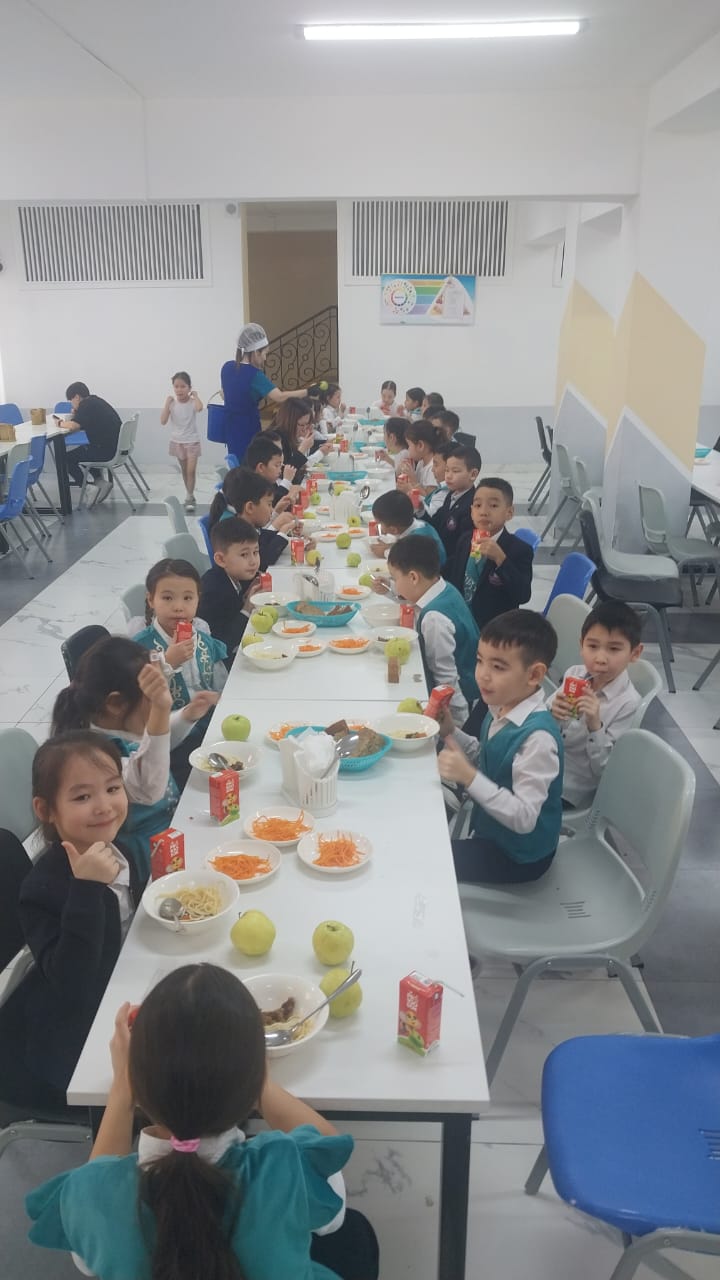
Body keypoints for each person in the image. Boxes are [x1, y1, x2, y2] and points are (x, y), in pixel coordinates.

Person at [27, 964, 380, 1280]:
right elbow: (328, 1157)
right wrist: (257, 1079)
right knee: (353, 1235)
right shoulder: (284, 1168)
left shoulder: (92, 1197)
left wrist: (121, 1089)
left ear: (138, 1084)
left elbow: (86, 1262)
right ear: (253, 1084)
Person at [0, 732, 141, 1109]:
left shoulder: (119, 850)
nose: (104, 806)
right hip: (73, 1034)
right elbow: (73, 981)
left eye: (112, 788)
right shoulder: (41, 889)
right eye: (82, 797)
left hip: (122, 990)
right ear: (46, 810)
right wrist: (87, 890)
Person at [51, 637, 212, 874]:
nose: (160, 709)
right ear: (116, 704)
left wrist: (187, 715)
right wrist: (160, 711)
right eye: (152, 701)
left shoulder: (123, 725)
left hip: (174, 827)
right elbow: (149, 788)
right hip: (147, 858)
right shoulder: (94, 758)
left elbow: (156, 742)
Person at [436, 610, 564, 885]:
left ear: (534, 675)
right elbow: (487, 755)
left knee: (430, 861)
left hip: (518, 857)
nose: (482, 675)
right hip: (492, 831)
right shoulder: (503, 706)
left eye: (498, 667)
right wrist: (451, 732)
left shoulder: (538, 740)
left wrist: (469, 777)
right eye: (480, 661)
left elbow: (525, 818)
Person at [548, 601, 643, 809]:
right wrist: (552, 712)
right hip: (545, 761)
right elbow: (545, 721)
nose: (600, 659)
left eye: (614, 649)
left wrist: (595, 726)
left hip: (570, 787)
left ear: (635, 653)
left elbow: (605, 770)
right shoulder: (574, 674)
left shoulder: (628, 703)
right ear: (581, 645)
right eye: (592, 646)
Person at [387, 535, 480, 728]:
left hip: (462, 702)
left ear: (413, 577)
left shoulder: (434, 619)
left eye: (394, 578)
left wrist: (456, 727)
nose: (395, 584)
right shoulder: (443, 587)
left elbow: (446, 679)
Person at [134, 558, 228, 706]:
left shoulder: (206, 642)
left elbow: (223, 688)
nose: (178, 607)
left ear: (198, 599)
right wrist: (167, 662)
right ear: (151, 599)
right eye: (167, 598)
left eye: (187, 598)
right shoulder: (138, 648)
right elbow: (136, 703)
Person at [449, 478, 533, 629]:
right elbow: (455, 578)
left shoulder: (519, 549)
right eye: (478, 505)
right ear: (471, 512)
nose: (483, 512)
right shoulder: (465, 540)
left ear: (509, 513)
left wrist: (501, 560)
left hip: (495, 628)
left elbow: (523, 595)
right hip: (461, 621)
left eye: (493, 505)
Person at [220, 323, 307, 463]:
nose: (265, 358)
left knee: (236, 463)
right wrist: (308, 391)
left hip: (230, 428)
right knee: (251, 464)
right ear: (256, 352)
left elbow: (223, 394)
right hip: (248, 429)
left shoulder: (227, 367)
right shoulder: (255, 375)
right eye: (265, 353)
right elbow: (279, 397)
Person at [198, 517, 263, 661]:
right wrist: (247, 609)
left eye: (255, 552)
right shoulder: (213, 592)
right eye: (244, 554)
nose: (253, 561)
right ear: (221, 560)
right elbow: (223, 645)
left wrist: (244, 597)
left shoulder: (232, 576)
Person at [209, 467, 299, 570]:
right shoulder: (232, 528)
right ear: (250, 507)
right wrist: (282, 531)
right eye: (269, 504)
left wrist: (290, 535)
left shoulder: (246, 521)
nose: (271, 509)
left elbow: (262, 539)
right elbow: (264, 558)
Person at [58, 381, 122, 503]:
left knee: (64, 458)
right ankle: (100, 481)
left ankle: (87, 487)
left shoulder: (86, 406)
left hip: (105, 451)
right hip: (114, 448)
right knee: (84, 450)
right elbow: (86, 420)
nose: (71, 403)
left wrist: (60, 423)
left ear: (77, 397)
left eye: (71, 400)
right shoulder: (95, 401)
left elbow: (73, 426)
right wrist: (77, 413)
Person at [425, 443, 482, 568]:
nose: (448, 476)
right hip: (438, 555)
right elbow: (436, 522)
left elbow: (463, 551)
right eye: (447, 470)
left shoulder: (472, 507)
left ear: (473, 474)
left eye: (455, 471)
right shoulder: (451, 495)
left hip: (448, 565)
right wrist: (420, 510)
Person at [160, 371, 203, 513]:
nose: (179, 390)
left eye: (183, 386)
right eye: (176, 386)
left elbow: (199, 408)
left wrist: (196, 396)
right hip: (178, 441)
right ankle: (190, 494)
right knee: (184, 471)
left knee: (191, 470)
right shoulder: (172, 404)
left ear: (189, 388)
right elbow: (163, 421)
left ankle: (189, 497)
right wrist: (166, 404)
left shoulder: (192, 403)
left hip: (192, 441)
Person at [369, 489, 446, 567]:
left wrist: (385, 552)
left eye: (380, 524)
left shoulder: (419, 539)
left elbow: (409, 561)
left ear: (394, 529)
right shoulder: (416, 524)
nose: (377, 526)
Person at [269, 399, 331, 481]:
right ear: (289, 422)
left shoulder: (291, 436)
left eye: (307, 424)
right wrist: (303, 449)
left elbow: (301, 467)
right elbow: (286, 472)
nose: (304, 429)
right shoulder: (276, 439)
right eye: (302, 425)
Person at [245, 432, 299, 509]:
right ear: (261, 467)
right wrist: (287, 481)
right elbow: (273, 504)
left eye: (281, 450)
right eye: (277, 465)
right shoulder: (253, 488)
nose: (281, 454)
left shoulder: (268, 479)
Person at [396, 420, 438, 490]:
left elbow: (429, 496)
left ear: (420, 445)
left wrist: (413, 479)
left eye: (409, 445)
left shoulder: (433, 468)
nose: (408, 449)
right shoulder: (421, 461)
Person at [423, 439, 453, 517]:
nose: (432, 469)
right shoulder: (442, 487)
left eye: (436, 465)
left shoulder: (444, 493)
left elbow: (430, 516)